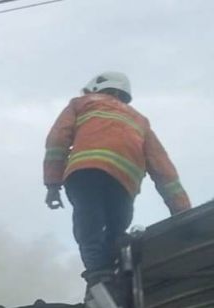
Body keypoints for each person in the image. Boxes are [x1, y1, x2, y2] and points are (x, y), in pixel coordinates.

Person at [44, 71, 191, 285]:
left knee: (89, 227)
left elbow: (57, 141)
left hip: (86, 174)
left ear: (95, 88)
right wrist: (182, 213)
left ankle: (97, 275)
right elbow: (163, 169)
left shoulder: (81, 104)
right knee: (116, 230)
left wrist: (52, 184)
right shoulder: (140, 121)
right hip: (123, 184)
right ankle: (116, 270)